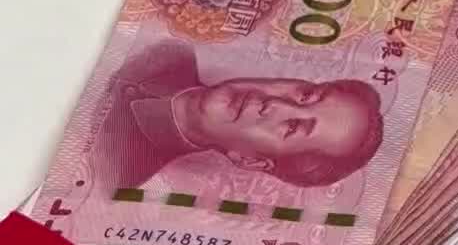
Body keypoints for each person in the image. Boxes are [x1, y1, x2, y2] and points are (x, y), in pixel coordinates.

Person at [89, 41, 384, 193]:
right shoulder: (171, 50)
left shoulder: (114, 172)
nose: (275, 104)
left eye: (293, 127)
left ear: (250, 161)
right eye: (306, 95)